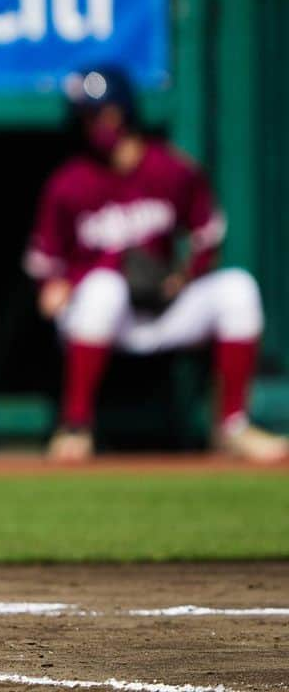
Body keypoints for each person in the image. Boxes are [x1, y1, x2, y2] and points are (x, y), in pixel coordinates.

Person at [25, 65, 288, 463]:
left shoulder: (170, 169)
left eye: (103, 112)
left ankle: (232, 425)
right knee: (103, 289)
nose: (96, 124)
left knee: (238, 288)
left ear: (125, 110)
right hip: (103, 314)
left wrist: (186, 275)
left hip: (161, 306)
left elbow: (207, 232)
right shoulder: (69, 183)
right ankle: (75, 428)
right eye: (87, 116)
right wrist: (60, 283)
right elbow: (46, 266)